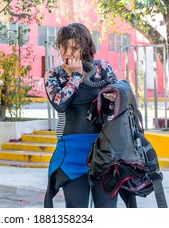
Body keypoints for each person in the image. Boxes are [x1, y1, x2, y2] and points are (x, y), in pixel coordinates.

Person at [44, 22, 118, 208]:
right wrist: (76, 76)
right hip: (72, 153)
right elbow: (60, 104)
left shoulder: (102, 68)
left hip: (103, 150)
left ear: (85, 48)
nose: (68, 53)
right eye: (64, 47)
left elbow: (120, 105)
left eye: (74, 48)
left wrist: (114, 97)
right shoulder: (54, 74)